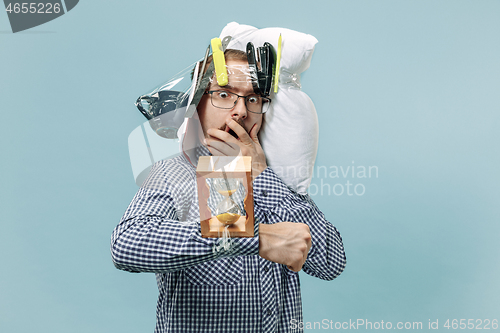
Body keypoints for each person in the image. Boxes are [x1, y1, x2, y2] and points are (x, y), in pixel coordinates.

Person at [111, 49, 346, 333]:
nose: (241, 111)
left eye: (253, 98)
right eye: (224, 95)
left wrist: (261, 175)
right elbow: (126, 245)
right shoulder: (173, 172)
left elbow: (331, 262)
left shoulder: (277, 180)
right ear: (196, 105)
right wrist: (255, 240)